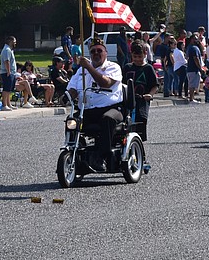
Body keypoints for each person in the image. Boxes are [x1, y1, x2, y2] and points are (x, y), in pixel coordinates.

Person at [65, 38, 123, 170]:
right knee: (71, 120)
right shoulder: (81, 71)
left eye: (99, 51)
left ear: (106, 52)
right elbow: (73, 88)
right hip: (87, 110)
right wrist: (67, 96)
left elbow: (105, 83)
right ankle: (74, 151)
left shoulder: (113, 67)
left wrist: (89, 67)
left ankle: (101, 158)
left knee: (107, 119)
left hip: (111, 109)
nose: (96, 53)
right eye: (93, 51)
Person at [122, 42, 158, 140]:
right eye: (135, 56)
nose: (137, 59)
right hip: (128, 100)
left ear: (145, 54)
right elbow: (121, 84)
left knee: (141, 120)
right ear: (131, 55)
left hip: (142, 100)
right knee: (124, 122)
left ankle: (139, 144)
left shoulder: (148, 68)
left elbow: (155, 85)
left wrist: (150, 95)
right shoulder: (127, 67)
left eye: (140, 56)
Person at [0, 36, 18, 111]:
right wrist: (8, 71)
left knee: (9, 89)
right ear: (10, 41)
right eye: (14, 41)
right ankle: (4, 105)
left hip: (11, 72)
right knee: (6, 89)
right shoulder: (7, 50)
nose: (15, 43)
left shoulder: (10, 50)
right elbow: (6, 61)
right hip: (7, 72)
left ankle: (9, 104)